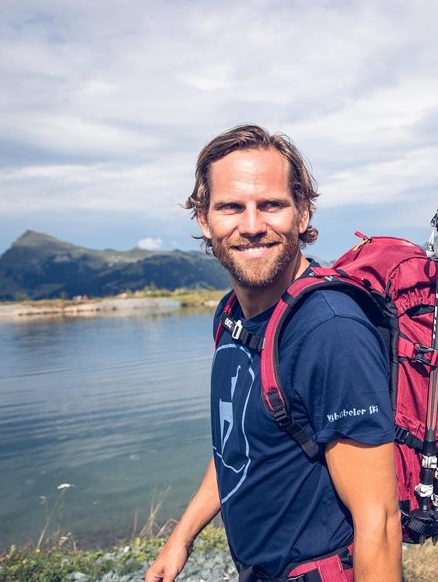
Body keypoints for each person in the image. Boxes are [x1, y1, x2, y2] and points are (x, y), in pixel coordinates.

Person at [145, 125, 402, 582]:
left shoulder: (329, 330)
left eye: (271, 204)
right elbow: (237, 441)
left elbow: (378, 522)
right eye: (230, 207)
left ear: (302, 213)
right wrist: (180, 537)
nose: (251, 225)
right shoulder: (230, 315)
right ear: (204, 220)